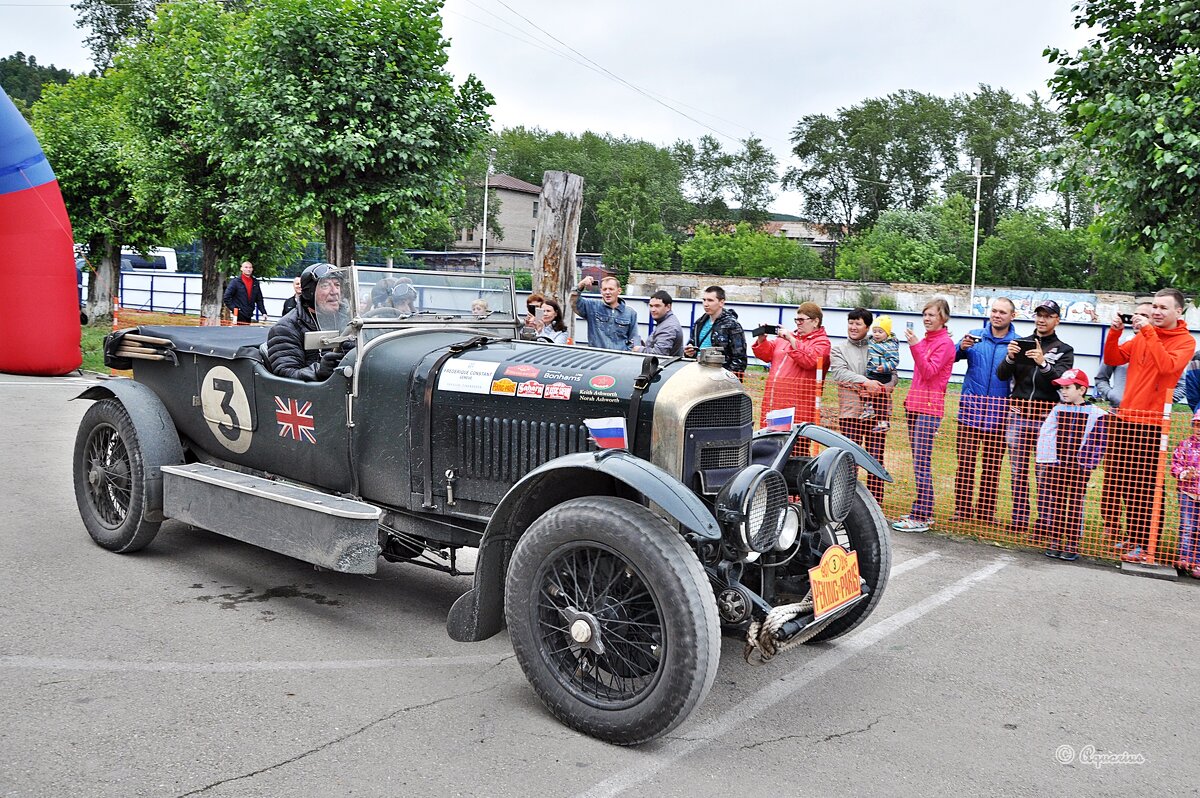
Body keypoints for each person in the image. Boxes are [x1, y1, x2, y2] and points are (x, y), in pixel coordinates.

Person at [1103, 287, 1196, 563]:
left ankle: (1147, 543)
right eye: (1154, 306)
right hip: (1126, 418)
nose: (1156, 312)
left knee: (1147, 486)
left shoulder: (1185, 341)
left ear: (1178, 311)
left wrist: (1148, 333)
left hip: (1154, 423)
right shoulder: (1144, 336)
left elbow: (1167, 367)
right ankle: (1134, 537)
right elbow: (1114, 358)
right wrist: (1115, 332)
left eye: (1163, 308)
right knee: (1126, 482)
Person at [995, 299, 1075, 540]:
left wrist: (1042, 362)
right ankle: (1019, 517)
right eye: (1039, 315)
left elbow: (1059, 381)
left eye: (1048, 316)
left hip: (1045, 419)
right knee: (1018, 471)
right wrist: (1009, 358)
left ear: (1056, 320)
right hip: (1018, 415)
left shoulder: (1064, 349)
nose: (1042, 319)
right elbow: (1001, 375)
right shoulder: (1021, 343)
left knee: (1044, 473)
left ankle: (1044, 521)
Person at [952, 297, 1019, 524]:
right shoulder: (974, 335)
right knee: (965, 464)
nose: (997, 315)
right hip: (970, 412)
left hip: (999, 416)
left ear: (1012, 316)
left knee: (992, 467)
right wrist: (960, 347)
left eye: (1002, 312)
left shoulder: (1018, 343)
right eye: (994, 311)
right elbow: (950, 358)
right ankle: (962, 509)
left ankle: (985, 513)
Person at [892, 298, 955, 534]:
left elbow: (929, 372)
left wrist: (916, 346)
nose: (927, 319)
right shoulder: (926, 341)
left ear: (943, 318)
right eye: (925, 314)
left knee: (922, 461)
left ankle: (923, 514)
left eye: (932, 315)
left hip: (930, 408)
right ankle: (920, 509)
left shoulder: (945, 343)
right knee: (918, 461)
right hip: (915, 406)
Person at [1093, 302, 1152, 542]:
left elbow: (1177, 386)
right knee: (1115, 473)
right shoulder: (1124, 345)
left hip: (1149, 419)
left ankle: (1138, 532)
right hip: (1119, 416)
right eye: (1137, 314)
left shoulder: (1160, 346)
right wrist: (1116, 397)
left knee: (1141, 479)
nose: (1140, 319)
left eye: (1145, 316)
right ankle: (1111, 523)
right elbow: (1101, 377)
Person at [1035, 368, 1106, 561]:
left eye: (1068, 387)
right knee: (1056, 503)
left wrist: (1087, 464)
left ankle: (1072, 543)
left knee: (1075, 505)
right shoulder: (1057, 409)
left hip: (1079, 468)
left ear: (1082, 389)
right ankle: (1055, 540)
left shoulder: (1097, 414)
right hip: (1057, 465)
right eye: (1062, 388)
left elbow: (1100, 443)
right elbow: (1047, 434)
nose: (1064, 392)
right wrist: (1047, 460)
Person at [828, 307, 893, 503]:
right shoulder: (839, 349)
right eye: (851, 322)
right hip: (850, 413)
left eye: (858, 323)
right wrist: (865, 383)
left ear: (867, 327)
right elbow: (840, 374)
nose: (853, 327)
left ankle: (875, 502)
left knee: (875, 459)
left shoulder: (879, 346)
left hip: (877, 414)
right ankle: (845, 500)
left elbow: (892, 374)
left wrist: (883, 388)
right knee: (849, 459)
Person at [266, 263, 352, 381]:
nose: (334, 291)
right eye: (325, 286)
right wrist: (317, 371)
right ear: (309, 292)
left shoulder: (349, 320)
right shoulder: (286, 328)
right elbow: (285, 373)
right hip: (317, 395)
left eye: (337, 285)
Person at [751, 301, 830, 426]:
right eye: (796, 320)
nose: (798, 323)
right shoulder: (786, 339)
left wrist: (792, 340)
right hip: (773, 404)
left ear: (815, 321)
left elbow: (810, 360)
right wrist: (762, 339)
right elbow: (766, 354)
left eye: (801, 320)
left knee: (793, 444)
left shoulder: (822, 343)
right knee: (767, 443)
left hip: (798, 409)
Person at [684, 285, 746, 373]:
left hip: (719, 377)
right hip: (698, 372)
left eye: (710, 300)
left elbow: (740, 359)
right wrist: (689, 352)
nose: (705, 304)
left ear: (721, 302)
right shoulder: (699, 322)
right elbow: (692, 345)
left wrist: (726, 379)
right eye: (704, 300)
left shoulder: (732, 325)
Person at [570, 275, 640, 351]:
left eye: (611, 289)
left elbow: (635, 338)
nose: (607, 292)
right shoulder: (592, 307)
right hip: (597, 358)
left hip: (620, 359)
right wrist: (581, 285)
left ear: (619, 291)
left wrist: (628, 355)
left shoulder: (630, 313)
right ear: (601, 291)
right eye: (604, 289)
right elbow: (574, 301)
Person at [1170, 409, 1200, 578]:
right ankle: (1184, 558)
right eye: (1197, 425)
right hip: (1187, 492)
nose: (1199, 429)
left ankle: (1198, 561)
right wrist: (1184, 473)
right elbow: (1175, 465)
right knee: (1187, 526)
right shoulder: (1185, 445)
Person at [863, 315, 899, 431]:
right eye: (875, 331)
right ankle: (868, 409)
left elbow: (894, 361)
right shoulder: (870, 341)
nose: (877, 334)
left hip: (883, 374)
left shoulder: (890, 345)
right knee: (866, 389)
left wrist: (885, 367)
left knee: (882, 398)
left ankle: (883, 422)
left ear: (887, 333)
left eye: (880, 332)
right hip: (872, 372)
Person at [634, 290, 684, 356]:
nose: (653, 310)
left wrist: (639, 349)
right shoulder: (664, 322)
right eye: (651, 306)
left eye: (657, 306)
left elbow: (659, 355)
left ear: (668, 307)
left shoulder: (668, 326)